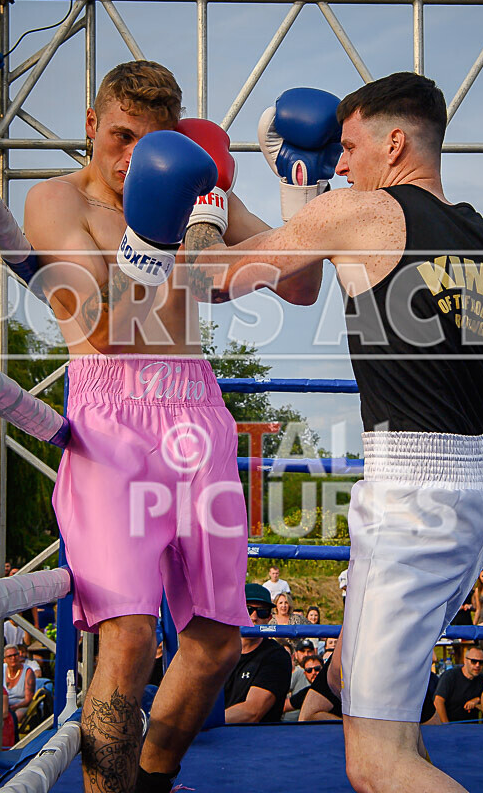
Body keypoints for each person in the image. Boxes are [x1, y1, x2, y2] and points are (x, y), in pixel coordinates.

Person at [187, 72, 483, 792]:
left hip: (410, 506)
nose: (344, 164)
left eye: (351, 146)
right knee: (366, 700)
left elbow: (212, 278)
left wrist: (205, 205)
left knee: (375, 765)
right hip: (479, 497)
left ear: (394, 141)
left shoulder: (361, 214)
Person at [23, 60, 320, 793]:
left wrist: (301, 187)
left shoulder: (199, 184)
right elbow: (97, 332)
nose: (133, 159)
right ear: (92, 126)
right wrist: (153, 239)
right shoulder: (54, 202)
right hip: (110, 415)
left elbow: (303, 284)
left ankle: (153, 780)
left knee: (217, 643)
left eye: (151, 143)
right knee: (126, 640)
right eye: (120, 138)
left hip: (195, 408)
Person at [224, 584, 292, 723]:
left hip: (255, 739)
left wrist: (200, 722)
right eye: (247, 609)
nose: (254, 617)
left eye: (262, 612)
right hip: (214, 734)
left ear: (269, 618)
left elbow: (252, 712)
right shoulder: (220, 652)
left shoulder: (276, 656)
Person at [433, 646, 483, 723]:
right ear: (465, 660)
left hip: (472, 728)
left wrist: (478, 700)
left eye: (481, 662)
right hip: (450, 725)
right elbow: (438, 701)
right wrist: (446, 725)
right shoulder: (450, 676)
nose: (477, 665)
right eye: (474, 661)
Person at [4, 643, 35, 723]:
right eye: (10, 656)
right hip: (4, 704)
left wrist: (14, 707)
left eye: (15, 655)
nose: (13, 658)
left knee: (14, 718)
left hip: (22, 705)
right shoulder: (1, 669)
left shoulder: (28, 671)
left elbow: (28, 700)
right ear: (5, 659)